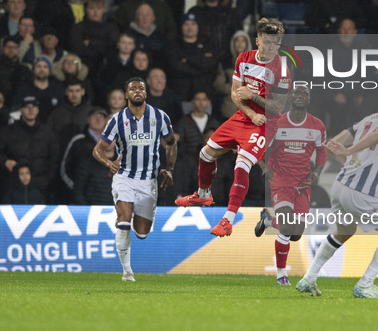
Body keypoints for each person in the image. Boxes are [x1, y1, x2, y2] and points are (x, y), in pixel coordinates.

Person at [296, 80, 378, 299]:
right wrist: (351, 150)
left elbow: (332, 144)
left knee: (344, 232)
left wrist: (349, 159)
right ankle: (365, 284)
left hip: (340, 186)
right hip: (361, 192)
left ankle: (309, 278)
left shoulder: (368, 119)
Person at [175, 18, 291, 237]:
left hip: (267, 123)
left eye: (276, 43)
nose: (272, 47)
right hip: (245, 116)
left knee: (242, 165)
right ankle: (203, 194)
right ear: (258, 41)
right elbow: (234, 93)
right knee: (206, 154)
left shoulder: (282, 69)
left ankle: (227, 221)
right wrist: (250, 112)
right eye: (268, 42)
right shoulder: (244, 59)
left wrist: (254, 97)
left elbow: (278, 106)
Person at [92, 77, 177, 282]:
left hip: (149, 180)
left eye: (141, 88)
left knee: (141, 233)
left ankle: (129, 218)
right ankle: (127, 272)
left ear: (146, 93)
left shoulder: (160, 116)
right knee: (123, 223)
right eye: (132, 88)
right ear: (126, 95)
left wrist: (170, 169)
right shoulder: (117, 119)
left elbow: (171, 144)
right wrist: (108, 163)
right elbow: (98, 149)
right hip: (124, 177)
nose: (137, 91)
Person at [254, 85, 327, 286]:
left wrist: (317, 172)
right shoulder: (277, 123)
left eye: (304, 94)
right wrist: (262, 165)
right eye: (296, 93)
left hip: (303, 184)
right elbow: (260, 146)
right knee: (286, 225)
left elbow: (322, 152)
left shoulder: (317, 125)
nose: (300, 96)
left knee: (295, 234)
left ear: (309, 99)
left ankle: (268, 221)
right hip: (280, 180)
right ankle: (281, 275)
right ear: (290, 98)